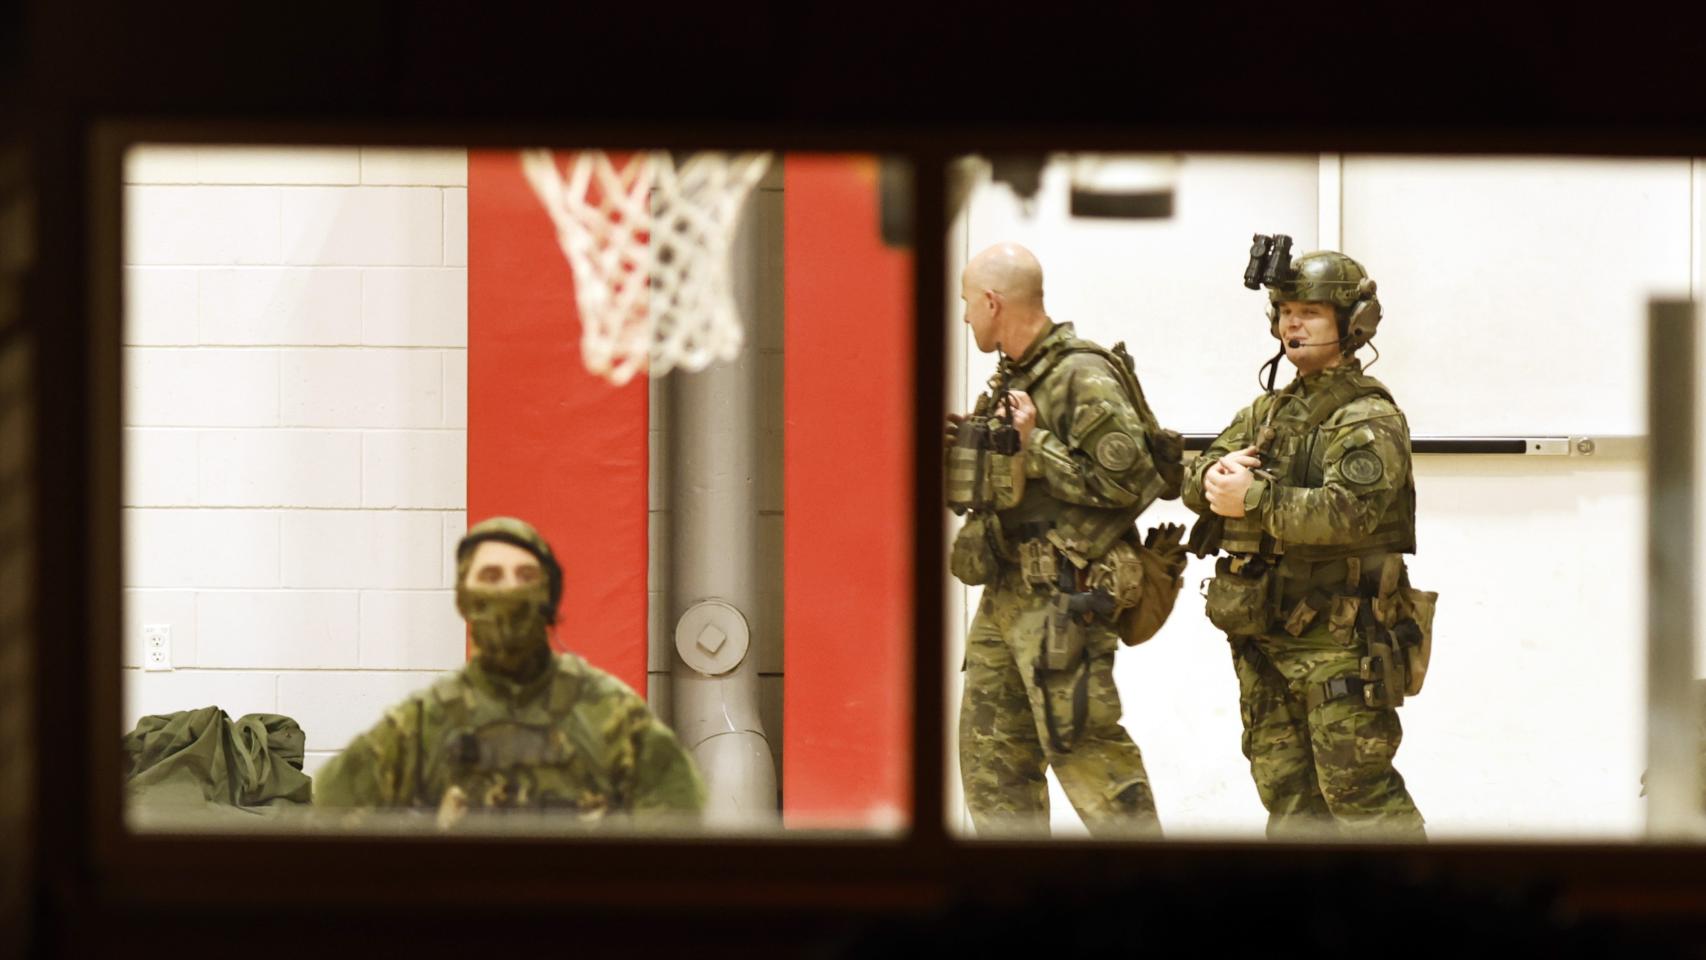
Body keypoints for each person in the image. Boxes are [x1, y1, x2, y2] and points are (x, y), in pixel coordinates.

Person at [1182, 240, 1435, 838]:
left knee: (1362, 799)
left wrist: (1252, 497)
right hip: (1263, 635)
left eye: (1311, 312)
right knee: (1288, 797)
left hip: (1340, 642)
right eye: (1285, 310)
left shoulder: (1368, 417)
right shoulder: (1267, 412)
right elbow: (1197, 478)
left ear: (1353, 326)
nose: (1291, 323)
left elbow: (1348, 515)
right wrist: (1213, 477)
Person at [947, 242, 1185, 837]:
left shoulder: (1081, 373)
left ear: (994, 302)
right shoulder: (1015, 378)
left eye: (970, 305)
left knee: (1089, 755)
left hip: (1064, 596)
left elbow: (1133, 478)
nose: (967, 317)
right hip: (1007, 594)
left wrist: (1037, 446)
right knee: (991, 762)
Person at [314, 516, 706, 825]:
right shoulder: (421, 724)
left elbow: (680, 832)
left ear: (548, 596)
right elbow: (330, 809)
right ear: (465, 598)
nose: (508, 590)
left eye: (525, 576)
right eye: (490, 576)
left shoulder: (612, 715)